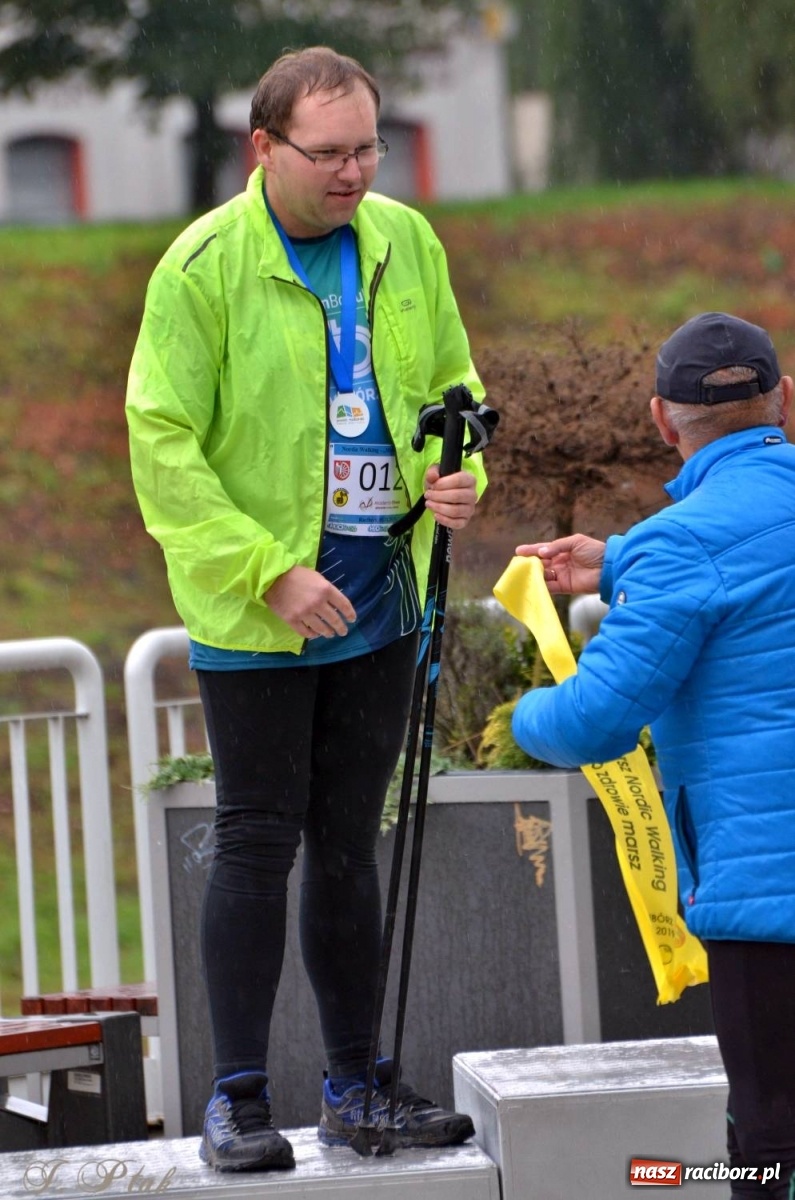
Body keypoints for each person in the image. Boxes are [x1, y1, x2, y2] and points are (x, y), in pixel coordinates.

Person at [126, 46, 486, 1173]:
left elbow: (455, 388)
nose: (354, 174)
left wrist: (461, 466)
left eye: (368, 147)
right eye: (328, 154)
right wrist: (266, 568)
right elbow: (161, 445)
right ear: (264, 149)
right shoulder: (201, 267)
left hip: (382, 592)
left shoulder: (406, 240)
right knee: (255, 837)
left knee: (348, 847)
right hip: (262, 607)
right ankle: (235, 1100)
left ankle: (357, 1084)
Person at [511, 311, 795, 1200]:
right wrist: (623, 558)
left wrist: (525, 713)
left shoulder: (682, 547)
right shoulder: (672, 551)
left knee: (767, 1146)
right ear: (785, 399)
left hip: (765, 902)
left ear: (660, 421)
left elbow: (595, 721)